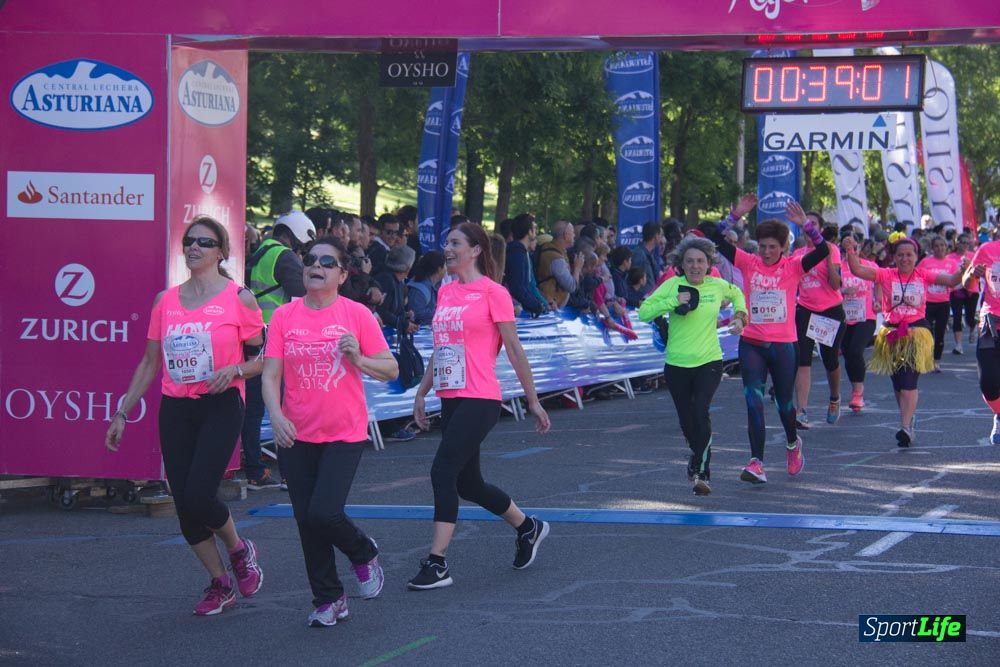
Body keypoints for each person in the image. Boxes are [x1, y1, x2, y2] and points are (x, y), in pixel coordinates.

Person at [106, 216, 265, 616]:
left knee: (199, 494)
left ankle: (239, 549)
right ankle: (220, 582)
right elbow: (148, 362)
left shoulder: (239, 298)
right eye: (190, 241)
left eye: (205, 242)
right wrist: (122, 412)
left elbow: (263, 357)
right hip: (176, 407)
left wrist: (236, 370)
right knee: (184, 504)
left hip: (222, 403)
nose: (195, 247)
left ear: (221, 252)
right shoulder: (166, 300)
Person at [262, 236, 398, 628]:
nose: (315, 266)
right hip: (296, 433)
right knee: (307, 520)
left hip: (344, 432)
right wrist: (275, 414)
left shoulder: (356, 314)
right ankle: (328, 599)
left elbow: (389, 369)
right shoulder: (286, 317)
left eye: (326, 261)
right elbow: (271, 374)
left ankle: (362, 551)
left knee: (324, 512)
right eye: (310, 259)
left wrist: (358, 357)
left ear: (341, 274)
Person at [408, 222, 552, 590]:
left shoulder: (494, 292)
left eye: (455, 242)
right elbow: (442, 349)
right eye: (446, 242)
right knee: (468, 484)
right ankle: (527, 527)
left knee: (442, 472)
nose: (448, 248)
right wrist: (423, 392)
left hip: (481, 397)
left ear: (476, 250)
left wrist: (532, 400)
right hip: (450, 395)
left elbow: (514, 350)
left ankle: (437, 562)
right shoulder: (445, 292)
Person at [709, 196, 830, 484]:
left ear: (783, 248)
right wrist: (733, 215)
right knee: (753, 400)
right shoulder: (748, 262)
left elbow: (823, 250)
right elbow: (714, 240)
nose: (765, 252)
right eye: (762, 246)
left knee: (785, 404)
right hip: (752, 342)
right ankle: (756, 462)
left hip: (783, 345)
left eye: (772, 247)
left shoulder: (793, 266)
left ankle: (792, 442)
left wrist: (807, 227)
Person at [638, 237, 747, 495]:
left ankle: (702, 472)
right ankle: (696, 455)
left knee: (700, 411)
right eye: (690, 261)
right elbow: (644, 312)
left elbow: (738, 294)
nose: (695, 266)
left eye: (700, 261)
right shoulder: (672, 285)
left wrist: (741, 318)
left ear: (709, 263)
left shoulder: (718, 285)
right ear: (682, 264)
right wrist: (672, 301)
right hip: (676, 364)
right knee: (687, 421)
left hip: (709, 361)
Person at [844, 233, 968, 446]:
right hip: (891, 333)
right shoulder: (885, 274)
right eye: (900, 255)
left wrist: (964, 268)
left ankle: (905, 427)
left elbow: (952, 281)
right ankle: (908, 419)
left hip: (916, 333)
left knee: (909, 379)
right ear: (894, 257)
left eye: (909, 255)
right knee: (898, 382)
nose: (904, 259)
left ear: (916, 256)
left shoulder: (923, 274)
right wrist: (850, 250)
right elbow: (857, 270)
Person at [243, 210, 316, 490]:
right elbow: (303, 297)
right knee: (285, 407)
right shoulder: (284, 257)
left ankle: (254, 471)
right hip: (278, 340)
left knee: (253, 410)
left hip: (253, 339)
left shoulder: (258, 252)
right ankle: (290, 473)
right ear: (296, 235)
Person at [791, 215, 845, 427]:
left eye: (812, 224)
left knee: (830, 359)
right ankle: (801, 411)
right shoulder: (797, 254)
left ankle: (834, 397)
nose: (808, 228)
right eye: (805, 224)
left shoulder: (832, 249)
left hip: (829, 311)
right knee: (802, 359)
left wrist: (828, 258)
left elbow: (835, 285)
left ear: (820, 229)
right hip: (805, 309)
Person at [964, 236, 1000, 444]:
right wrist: (972, 274)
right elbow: (967, 284)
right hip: (991, 322)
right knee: (988, 384)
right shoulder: (987, 250)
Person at [839, 231, 879, 412]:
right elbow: (829, 288)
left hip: (866, 316)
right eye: (847, 248)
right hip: (845, 317)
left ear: (859, 247)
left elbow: (879, 282)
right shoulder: (838, 267)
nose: (851, 251)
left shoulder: (869, 265)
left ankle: (858, 392)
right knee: (848, 354)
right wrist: (842, 292)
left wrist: (878, 300)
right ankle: (855, 388)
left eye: (854, 247)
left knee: (856, 350)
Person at [918, 235, 960, 372]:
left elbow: (958, 282)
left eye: (942, 245)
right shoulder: (925, 262)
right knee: (926, 332)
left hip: (943, 302)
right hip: (927, 302)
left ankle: (936, 361)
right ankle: (926, 358)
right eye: (936, 246)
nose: (940, 248)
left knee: (940, 333)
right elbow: (917, 276)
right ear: (932, 248)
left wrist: (950, 286)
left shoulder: (952, 264)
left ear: (946, 247)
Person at [504, 214, 549, 316]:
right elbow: (518, 287)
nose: (536, 232)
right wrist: (536, 306)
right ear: (529, 232)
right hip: (517, 311)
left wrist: (538, 304)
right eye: (534, 228)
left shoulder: (520, 252)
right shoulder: (517, 253)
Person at [535, 221, 583, 309]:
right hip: (550, 308)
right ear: (566, 235)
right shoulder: (556, 258)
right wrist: (577, 268)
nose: (574, 235)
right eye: (572, 232)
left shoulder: (555, 250)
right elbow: (571, 287)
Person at [950, 233, 979, 354]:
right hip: (956, 290)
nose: (965, 245)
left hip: (971, 291)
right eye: (963, 242)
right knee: (956, 316)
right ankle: (959, 345)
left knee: (969, 317)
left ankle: (973, 326)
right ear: (957, 243)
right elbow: (948, 273)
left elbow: (980, 271)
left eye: (967, 243)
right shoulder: (950, 258)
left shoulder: (974, 256)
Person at [408, 251, 446, 326]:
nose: (446, 269)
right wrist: (442, 312)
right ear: (439, 269)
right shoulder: (419, 289)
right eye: (445, 266)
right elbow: (417, 313)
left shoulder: (433, 285)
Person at [630, 222, 664, 293]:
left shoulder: (650, 254)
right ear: (656, 236)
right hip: (641, 299)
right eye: (661, 235)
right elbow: (633, 280)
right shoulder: (638, 254)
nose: (662, 238)